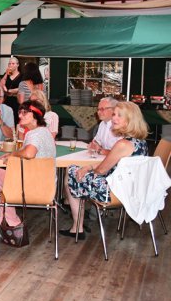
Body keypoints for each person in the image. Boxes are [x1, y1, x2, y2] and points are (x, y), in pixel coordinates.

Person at [62, 101, 148, 239]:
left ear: (130, 120)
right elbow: (112, 163)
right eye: (114, 114)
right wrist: (89, 167)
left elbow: (102, 170)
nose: (114, 118)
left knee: (72, 172)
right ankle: (77, 215)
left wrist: (87, 169)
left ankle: (77, 227)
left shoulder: (123, 144)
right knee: (78, 172)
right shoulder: (139, 142)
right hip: (131, 189)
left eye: (119, 116)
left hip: (114, 192)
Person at [0, 100, 56, 226]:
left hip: (30, 188)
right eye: (20, 112)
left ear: (35, 115)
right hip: (47, 188)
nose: (20, 115)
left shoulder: (35, 134)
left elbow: (29, 153)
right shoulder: (45, 132)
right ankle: (6, 217)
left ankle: (9, 219)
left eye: (25, 113)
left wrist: (13, 154)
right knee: (1, 185)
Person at [0, 57, 21, 122]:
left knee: (15, 119)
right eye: (9, 63)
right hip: (7, 101)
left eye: (13, 63)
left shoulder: (22, 76)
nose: (11, 65)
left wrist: (11, 91)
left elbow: (23, 87)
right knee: (6, 119)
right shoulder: (6, 75)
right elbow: (0, 85)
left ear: (17, 65)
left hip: (17, 101)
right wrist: (6, 74)